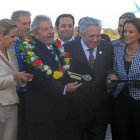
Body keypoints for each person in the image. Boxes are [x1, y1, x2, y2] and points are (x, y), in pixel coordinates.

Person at [22, 15, 82, 140]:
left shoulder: (56, 47)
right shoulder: (31, 52)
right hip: (42, 115)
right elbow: (39, 81)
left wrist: (83, 78)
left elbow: (65, 72)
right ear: (35, 34)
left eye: (50, 28)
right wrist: (64, 89)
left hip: (60, 113)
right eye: (45, 30)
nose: (50, 32)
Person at [63, 17, 114, 140]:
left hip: (99, 112)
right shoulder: (67, 48)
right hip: (75, 112)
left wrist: (111, 75)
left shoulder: (107, 47)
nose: (96, 40)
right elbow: (64, 75)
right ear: (81, 34)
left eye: (98, 35)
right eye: (91, 36)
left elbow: (110, 68)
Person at [107, 18, 140, 140]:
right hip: (119, 101)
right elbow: (110, 69)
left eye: (131, 32)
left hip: (138, 101)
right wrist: (110, 76)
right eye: (125, 31)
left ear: (139, 34)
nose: (126, 34)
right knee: (121, 134)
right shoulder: (116, 51)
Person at [0, 19, 32, 140]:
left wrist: (22, 78)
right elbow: (11, 77)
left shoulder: (12, 52)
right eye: (12, 36)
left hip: (13, 105)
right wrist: (13, 77)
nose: (15, 39)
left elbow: (15, 78)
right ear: (1, 35)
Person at [11, 10, 31, 140]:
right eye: (24, 23)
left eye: (29, 23)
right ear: (14, 24)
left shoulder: (27, 42)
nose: (27, 27)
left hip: (26, 94)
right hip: (11, 96)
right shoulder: (8, 45)